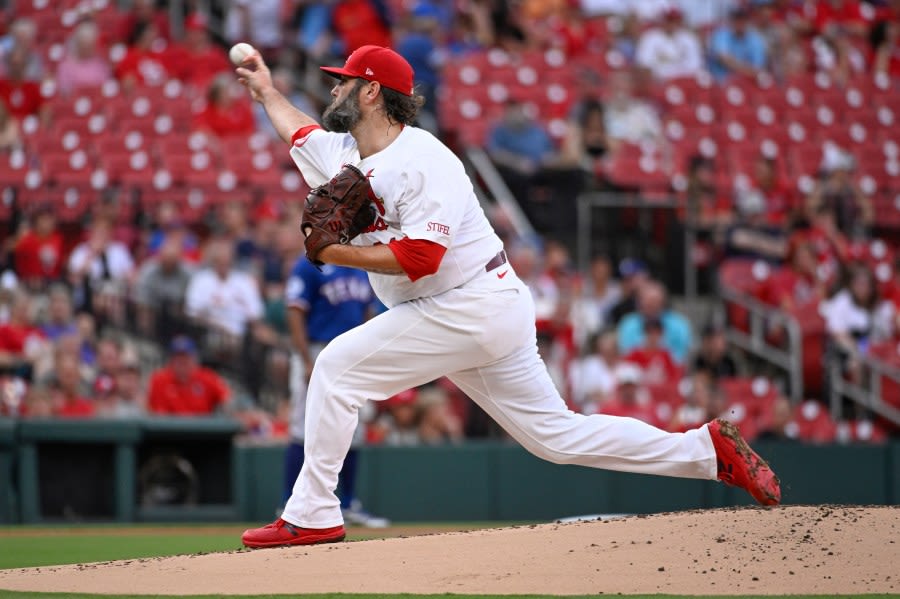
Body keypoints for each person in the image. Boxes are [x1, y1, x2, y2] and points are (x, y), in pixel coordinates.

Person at [235, 44, 780, 548]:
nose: (334, 91)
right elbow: (300, 134)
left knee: (335, 367)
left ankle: (313, 513)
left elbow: (422, 259)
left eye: (344, 82)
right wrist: (266, 91)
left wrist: (332, 254)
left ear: (372, 91)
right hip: (476, 306)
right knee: (555, 438)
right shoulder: (348, 152)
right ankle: (706, 451)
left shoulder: (426, 160)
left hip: (468, 301)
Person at [282, 252, 388, 528]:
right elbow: (294, 311)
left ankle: (348, 504)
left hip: (353, 353)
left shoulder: (362, 264)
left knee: (353, 428)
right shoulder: (309, 264)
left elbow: (368, 314)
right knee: (302, 426)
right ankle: (287, 504)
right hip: (317, 350)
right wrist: (305, 359)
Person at [146, 336, 230, 415]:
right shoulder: (159, 379)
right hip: (169, 429)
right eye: (178, 357)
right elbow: (153, 411)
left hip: (201, 429)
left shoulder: (207, 377)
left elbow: (227, 400)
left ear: (194, 358)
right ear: (171, 360)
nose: (182, 361)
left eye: (186, 357)